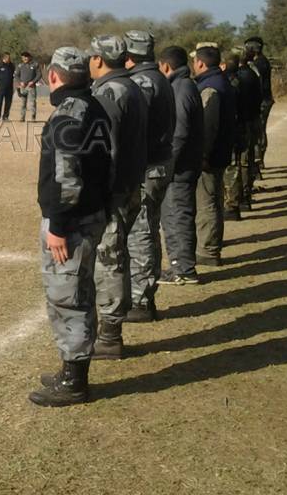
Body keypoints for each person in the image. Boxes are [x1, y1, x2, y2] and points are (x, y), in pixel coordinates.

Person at [29, 47, 113, 407]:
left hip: (73, 221)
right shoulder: (94, 106)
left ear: (53, 75)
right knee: (77, 292)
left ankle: (74, 381)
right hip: (91, 214)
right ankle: (70, 370)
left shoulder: (68, 114)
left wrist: (58, 226)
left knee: (69, 297)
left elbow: (66, 179)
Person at [86, 35, 147, 359]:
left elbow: (106, 149)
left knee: (109, 259)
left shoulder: (110, 92)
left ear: (98, 59)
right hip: (131, 185)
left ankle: (110, 335)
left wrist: (97, 193)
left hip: (114, 191)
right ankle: (112, 327)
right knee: (117, 253)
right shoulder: (132, 86)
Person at [123, 31, 175, 323]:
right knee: (149, 228)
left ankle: (141, 300)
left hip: (149, 167)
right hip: (160, 163)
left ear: (130, 55)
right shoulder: (159, 78)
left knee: (141, 231)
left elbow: (135, 127)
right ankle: (146, 295)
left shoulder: (143, 82)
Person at [158, 46, 204, 285]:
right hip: (185, 165)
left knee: (177, 216)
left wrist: (168, 165)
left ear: (165, 66)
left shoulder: (181, 88)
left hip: (180, 168)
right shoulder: (185, 85)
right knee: (175, 215)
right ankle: (181, 265)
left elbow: (179, 132)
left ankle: (184, 269)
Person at [193, 46, 236, 267]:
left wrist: (202, 154)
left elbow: (208, 126)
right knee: (214, 200)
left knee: (207, 202)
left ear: (200, 63)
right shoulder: (222, 81)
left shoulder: (210, 88)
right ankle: (212, 244)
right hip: (221, 151)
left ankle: (207, 249)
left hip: (211, 156)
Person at [222, 51, 262, 218]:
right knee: (243, 162)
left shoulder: (230, 82)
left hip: (236, 126)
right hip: (246, 123)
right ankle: (243, 196)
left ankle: (233, 204)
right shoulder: (249, 76)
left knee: (233, 167)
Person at [244, 36, 274, 168]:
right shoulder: (260, 61)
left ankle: (259, 160)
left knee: (259, 130)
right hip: (263, 100)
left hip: (262, 101)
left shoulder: (260, 63)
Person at [15, 51, 41, 121]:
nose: (25, 58)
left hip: (31, 87)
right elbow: (16, 75)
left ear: (29, 57)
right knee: (23, 103)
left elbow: (39, 75)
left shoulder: (35, 65)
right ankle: (22, 117)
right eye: (23, 57)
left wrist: (33, 81)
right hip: (23, 87)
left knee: (32, 102)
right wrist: (20, 82)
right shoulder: (20, 65)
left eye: (26, 57)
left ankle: (33, 117)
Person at [0, 52, 15, 121]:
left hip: (9, 87)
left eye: (9, 58)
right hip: (1, 87)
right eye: (7, 58)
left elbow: (13, 75)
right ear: (4, 58)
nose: (9, 59)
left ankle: (5, 116)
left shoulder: (12, 66)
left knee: (8, 103)